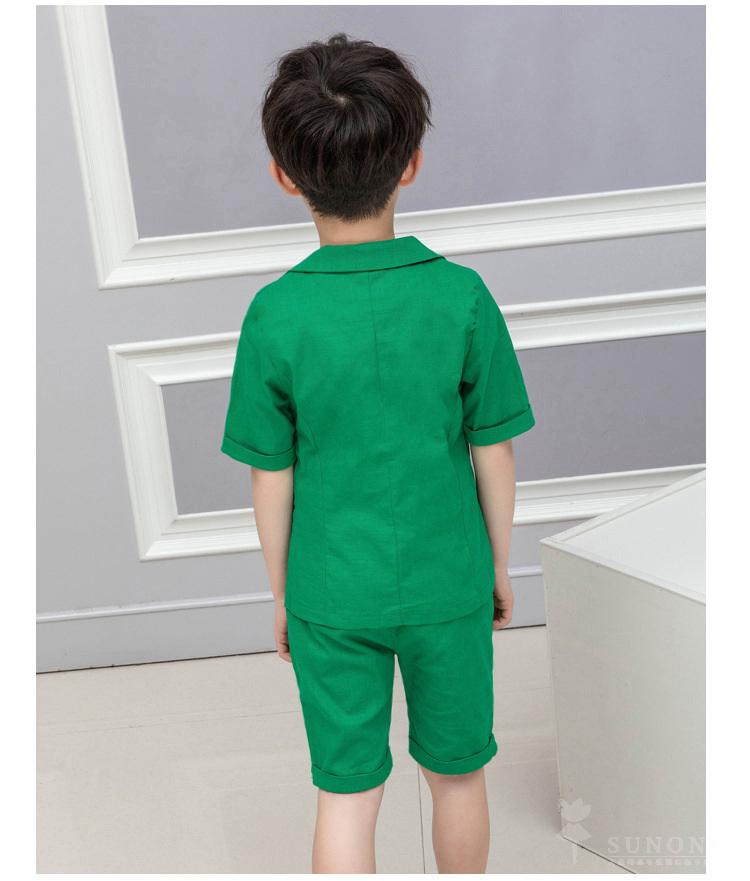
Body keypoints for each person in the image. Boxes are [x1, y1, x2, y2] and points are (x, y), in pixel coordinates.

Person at [221, 32, 535, 874]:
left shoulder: (274, 314)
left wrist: (284, 592)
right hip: (448, 579)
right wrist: (496, 565)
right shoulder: (463, 297)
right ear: (412, 164)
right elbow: (494, 452)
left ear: (286, 175)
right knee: (458, 776)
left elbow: (270, 473)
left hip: (330, 587)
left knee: (347, 792)